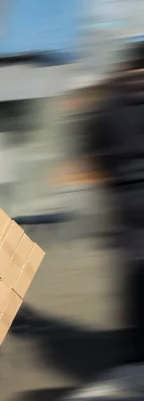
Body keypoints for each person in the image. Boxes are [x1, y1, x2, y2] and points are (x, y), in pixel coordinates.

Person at [84, 42, 144, 364]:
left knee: (133, 272)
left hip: (123, 195)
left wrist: (109, 177)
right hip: (129, 193)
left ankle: (134, 347)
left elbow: (92, 142)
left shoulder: (108, 103)